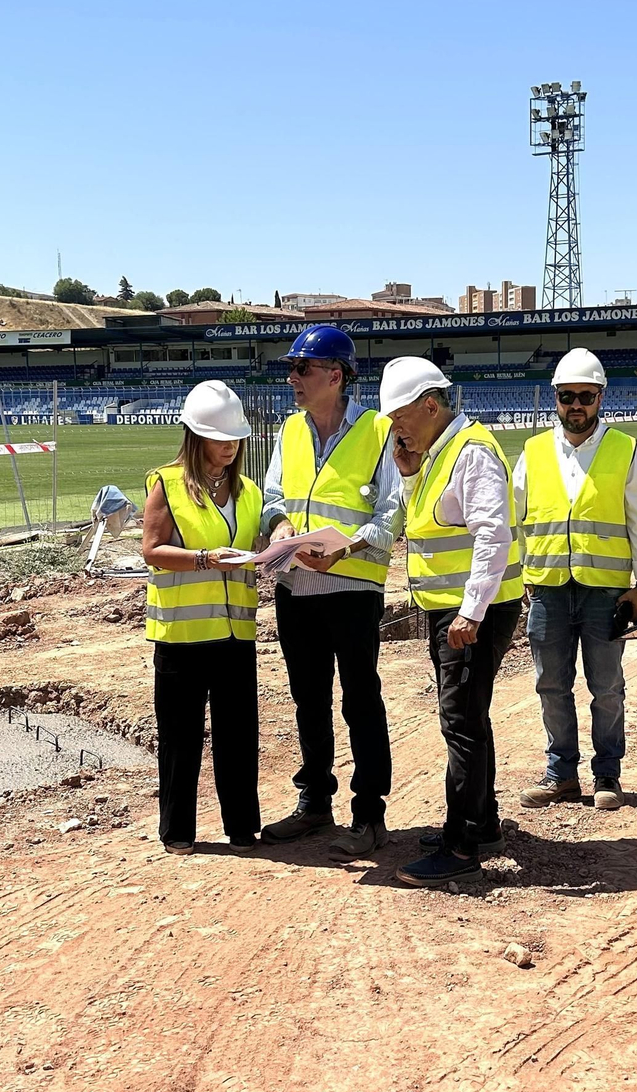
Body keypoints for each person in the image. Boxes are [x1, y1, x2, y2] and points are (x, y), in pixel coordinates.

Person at [258, 324, 402, 858]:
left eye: (303, 368)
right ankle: (315, 801)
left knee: (361, 700)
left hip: (351, 587)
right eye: (292, 368)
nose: (292, 377)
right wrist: (277, 528)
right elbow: (274, 494)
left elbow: (392, 512)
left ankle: (369, 814)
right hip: (296, 586)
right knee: (308, 701)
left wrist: (348, 547)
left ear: (336, 375)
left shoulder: (379, 431)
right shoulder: (289, 431)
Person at [380, 357, 523, 888]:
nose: (396, 429)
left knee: (460, 722)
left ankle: (463, 843)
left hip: (471, 612)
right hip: (451, 607)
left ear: (430, 407)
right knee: (468, 717)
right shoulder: (438, 453)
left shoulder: (474, 453)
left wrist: (471, 610)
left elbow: (493, 536)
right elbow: (432, 519)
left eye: (400, 418)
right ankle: (481, 827)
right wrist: (410, 472)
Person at [512, 348, 637, 812]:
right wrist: (518, 579)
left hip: (604, 591)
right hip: (549, 590)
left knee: (607, 687)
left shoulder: (625, 450)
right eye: (568, 396)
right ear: (555, 398)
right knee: (550, 685)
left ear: (600, 398)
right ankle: (561, 774)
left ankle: (607, 775)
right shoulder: (533, 452)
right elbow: (514, 522)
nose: (577, 405)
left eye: (586, 396)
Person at [141, 380, 263, 855]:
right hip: (182, 634)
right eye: (219, 436)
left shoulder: (248, 492)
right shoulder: (166, 484)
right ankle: (177, 830)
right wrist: (206, 558)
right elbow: (152, 550)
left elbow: (255, 548)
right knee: (179, 736)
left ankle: (241, 827)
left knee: (238, 734)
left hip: (235, 632)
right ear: (196, 435)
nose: (229, 445)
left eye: (235, 437)